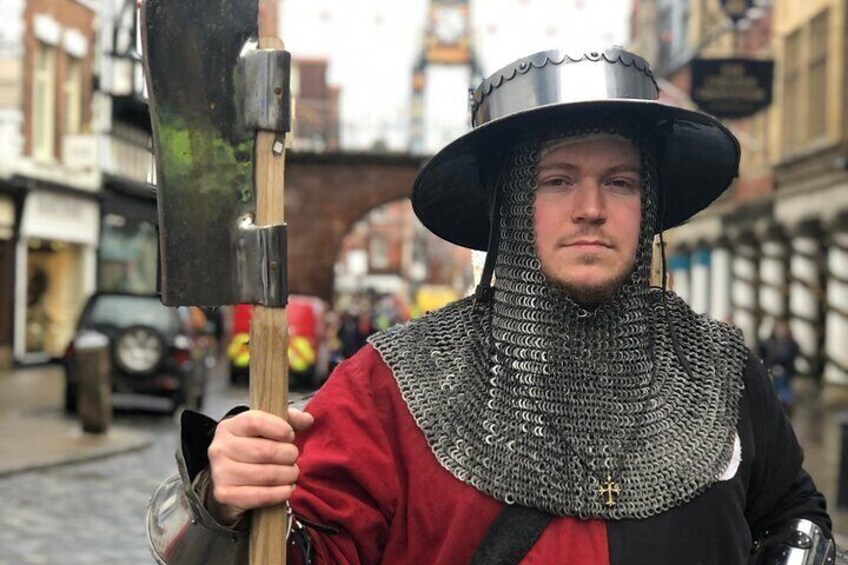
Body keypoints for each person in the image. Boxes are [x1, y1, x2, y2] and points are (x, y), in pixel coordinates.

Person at [147, 47, 837, 564]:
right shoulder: (395, 385)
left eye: (620, 182)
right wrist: (226, 502)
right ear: (508, 205)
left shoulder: (716, 368)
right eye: (558, 179)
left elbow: (793, 515)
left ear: (648, 204)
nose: (592, 208)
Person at [759, 319, 801, 413]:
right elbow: (763, 354)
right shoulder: (768, 343)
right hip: (772, 371)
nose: (781, 332)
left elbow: (793, 355)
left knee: (785, 392)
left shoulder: (791, 343)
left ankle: (785, 408)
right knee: (773, 391)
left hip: (786, 372)